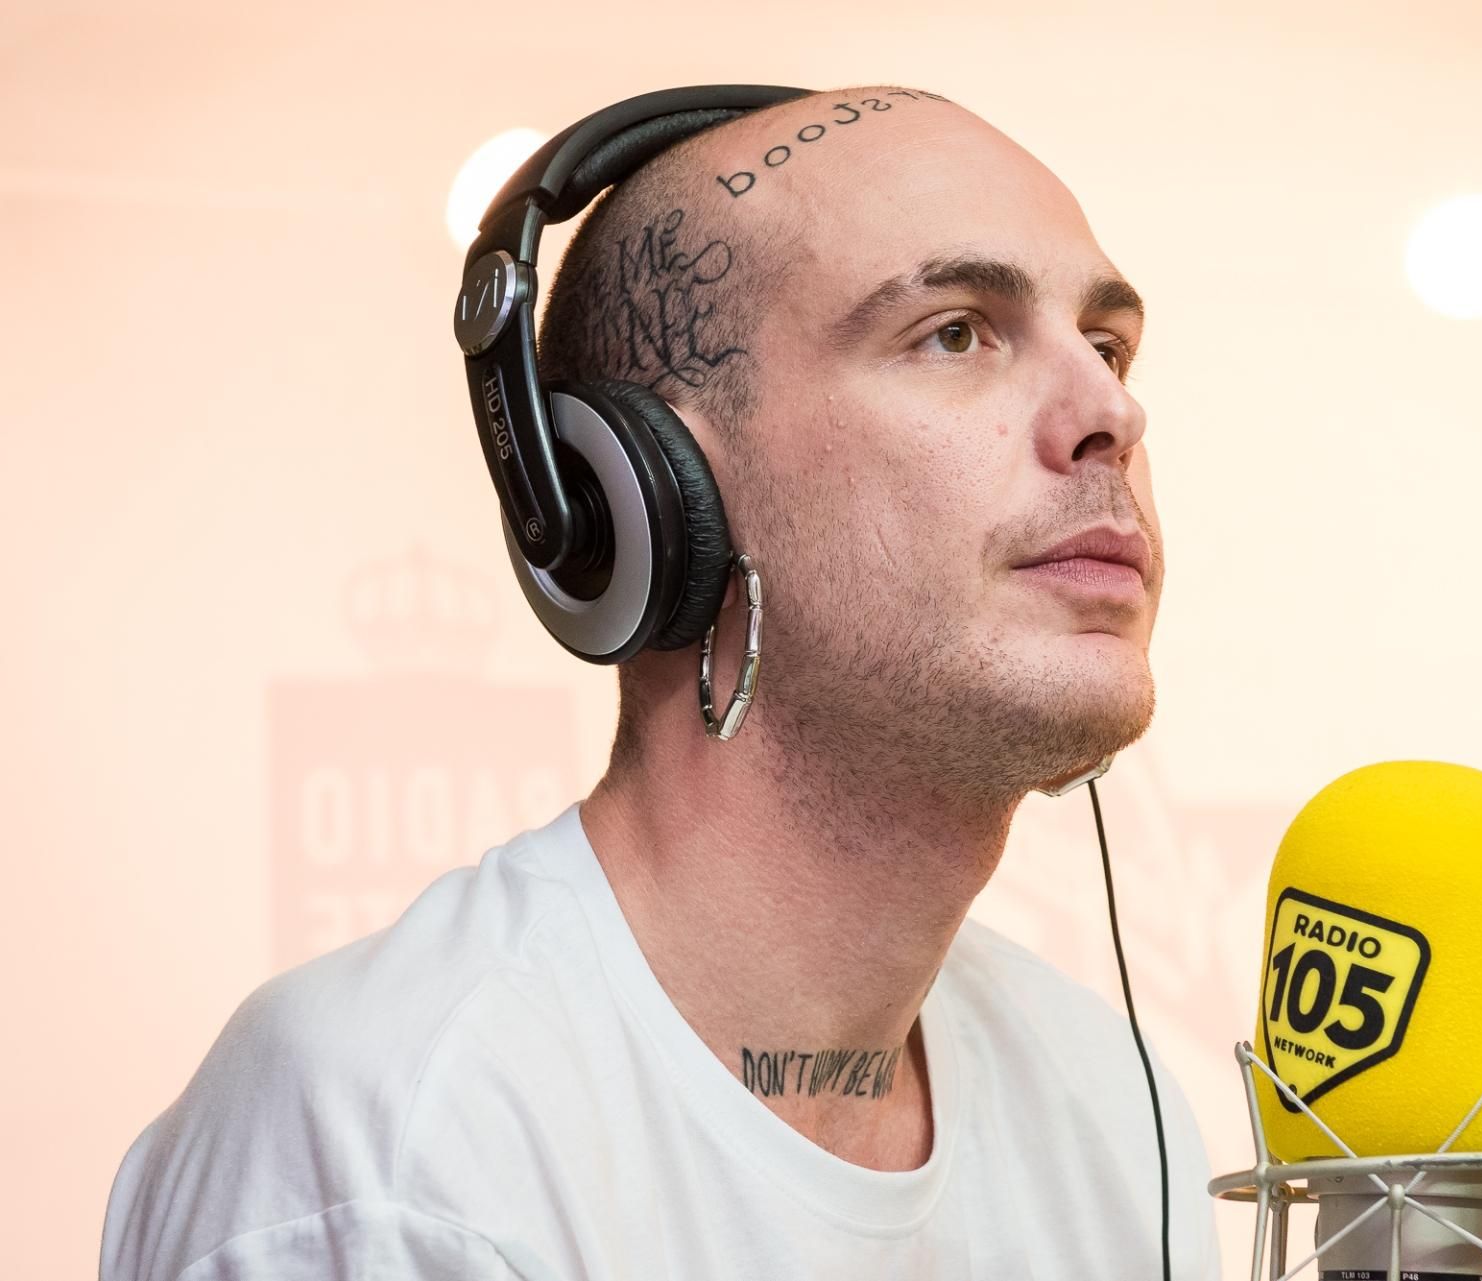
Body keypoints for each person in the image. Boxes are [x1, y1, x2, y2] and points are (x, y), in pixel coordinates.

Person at [100, 83, 1220, 1279]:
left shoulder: (1113, 1112)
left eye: (1107, 344)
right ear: (652, 496)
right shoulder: (395, 1151)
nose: (1113, 410)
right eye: (954, 333)